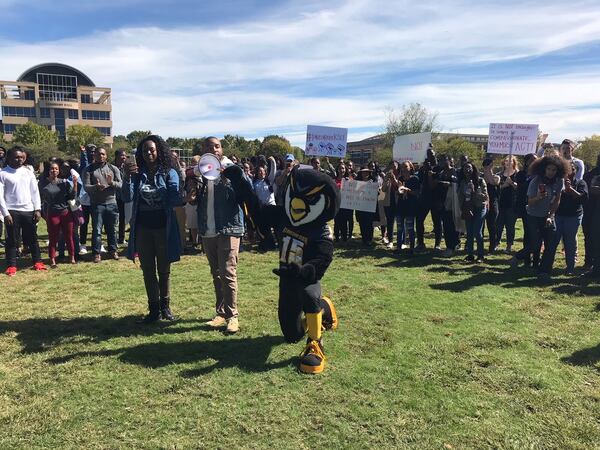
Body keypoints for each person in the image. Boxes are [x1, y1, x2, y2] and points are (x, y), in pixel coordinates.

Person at [123, 135, 182, 323]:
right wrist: (126, 177)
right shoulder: (136, 174)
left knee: (164, 270)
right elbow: (126, 197)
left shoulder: (168, 172)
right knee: (147, 270)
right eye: (145, 150)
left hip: (163, 227)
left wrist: (181, 190)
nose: (149, 153)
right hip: (143, 228)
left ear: (159, 151)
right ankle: (153, 310)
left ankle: (166, 307)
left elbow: (174, 197)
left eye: (152, 150)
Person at [198, 137, 250, 334]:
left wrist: (234, 174)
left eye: (217, 146)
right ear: (203, 151)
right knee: (216, 274)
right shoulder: (201, 172)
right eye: (209, 147)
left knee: (228, 272)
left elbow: (246, 191)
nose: (214, 149)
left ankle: (233, 316)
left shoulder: (232, 170)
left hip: (229, 228)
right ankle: (221, 313)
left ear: (222, 150)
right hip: (208, 229)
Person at [0, 145, 46, 275]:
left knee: (32, 238)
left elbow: (35, 192)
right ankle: (12, 265)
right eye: (16, 157)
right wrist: (5, 213)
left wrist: (37, 209)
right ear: (9, 158)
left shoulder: (28, 172)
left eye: (21, 157)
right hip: (12, 211)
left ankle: (37, 262)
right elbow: (0, 196)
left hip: (29, 210)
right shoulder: (3, 174)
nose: (19, 159)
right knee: (12, 240)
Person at [526, 154, 569, 281]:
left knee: (551, 244)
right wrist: (538, 197)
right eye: (549, 169)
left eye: (554, 170)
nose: (551, 172)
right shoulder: (535, 181)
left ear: (558, 171)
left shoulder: (559, 181)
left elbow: (557, 200)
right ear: (544, 169)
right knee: (536, 244)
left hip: (549, 216)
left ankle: (544, 270)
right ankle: (519, 256)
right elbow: (530, 203)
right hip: (533, 216)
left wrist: (551, 215)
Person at [83, 147, 123, 263]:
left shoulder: (113, 168)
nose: (101, 156)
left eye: (103, 154)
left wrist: (111, 183)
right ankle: (96, 253)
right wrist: (96, 187)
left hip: (112, 203)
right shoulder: (89, 170)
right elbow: (86, 187)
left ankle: (113, 250)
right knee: (97, 230)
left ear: (106, 156)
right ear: (94, 156)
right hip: (97, 205)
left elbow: (121, 185)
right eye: (98, 154)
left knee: (112, 229)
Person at [548, 163, 587, 275]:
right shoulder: (558, 182)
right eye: (567, 171)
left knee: (569, 243)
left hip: (573, 217)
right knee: (553, 241)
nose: (569, 173)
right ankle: (547, 266)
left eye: (572, 170)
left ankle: (570, 268)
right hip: (558, 215)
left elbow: (582, 198)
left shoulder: (580, 183)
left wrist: (570, 189)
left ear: (575, 172)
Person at [39, 161, 77, 267]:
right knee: (53, 237)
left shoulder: (64, 182)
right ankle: (52, 259)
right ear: (48, 170)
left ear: (59, 171)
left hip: (65, 212)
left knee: (68, 236)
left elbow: (72, 196)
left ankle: (72, 256)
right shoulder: (43, 183)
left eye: (56, 169)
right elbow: (40, 197)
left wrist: (74, 184)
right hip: (52, 213)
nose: (54, 170)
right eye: (52, 169)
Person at [458, 162, 488, 262]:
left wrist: (474, 191)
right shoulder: (462, 183)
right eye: (465, 168)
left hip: (479, 208)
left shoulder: (480, 181)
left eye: (469, 168)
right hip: (468, 209)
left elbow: (485, 196)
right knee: (469, 233)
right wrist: (462, 208)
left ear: (473, 169)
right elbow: (460, 197)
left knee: (477, 232)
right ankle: (470, 255)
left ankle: (480, 255)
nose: (467, 170)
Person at [511, 154, 538, 267]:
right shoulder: (521, 174)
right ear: (526, 162)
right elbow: (522, 189)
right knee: (528, 233)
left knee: (537, 235)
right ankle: (527, 259)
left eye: (536, 160)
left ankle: (536, 260)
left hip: (537, 206)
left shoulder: (540, 174)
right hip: (525, 207)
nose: (534, 162)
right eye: (532, 160)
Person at [416, 147, 442, 251]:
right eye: (427, 154)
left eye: (431, 154)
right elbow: (421, 182)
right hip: (425, 198)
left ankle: (437, 244)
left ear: (435, 155)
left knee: (437, 221)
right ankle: (421, 243)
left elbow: (435, 184)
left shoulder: (439, 168)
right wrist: (424, 170)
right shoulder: (424, 168)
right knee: (419, 220)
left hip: (436, 198)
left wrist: (430, 171)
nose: (430, 156)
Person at [395, 161, 420, 254]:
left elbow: (417, 193)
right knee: (399, 228)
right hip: (400, 206)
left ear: (410, 168)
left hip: (410, 206)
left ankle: (412, 248)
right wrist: (398, 191)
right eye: (402, 167)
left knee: (410, 228)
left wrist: (408, 190)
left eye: (406, 166)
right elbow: (397, 192)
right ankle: (398, 248)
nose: (404, 169)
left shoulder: (415, 179)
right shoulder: (400, 179)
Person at [496, 156, 518, 253]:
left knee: (510, 226)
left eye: (510, 161)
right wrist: (504, 185)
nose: (507, 162)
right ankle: (496, 242)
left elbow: (519, 188)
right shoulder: (499, 174)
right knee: (499, 225)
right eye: (506, 161)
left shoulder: (517, 174)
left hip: (512, 204)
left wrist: (512, 183)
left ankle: (509, 245)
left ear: (513, 162)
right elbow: (496, 188)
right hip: (500, 203)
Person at [583, 154, 600, 268]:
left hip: (594, 209)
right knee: (590, 236)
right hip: (591, 208)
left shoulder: (590, 174)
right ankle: (590, 262)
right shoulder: (590, 175)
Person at [481, 157, 500, 253]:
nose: (488, 167)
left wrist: (488, 170)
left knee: (491, 225)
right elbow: (484, 181)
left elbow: (492, 182)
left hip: (493, 203)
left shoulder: (496, 177)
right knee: (481, 226)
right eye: (486, 166)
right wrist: (486, 170)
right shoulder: (480, 177)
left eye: (490, 165)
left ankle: (493, 245)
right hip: (482, 203)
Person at [355, 167, 376, 246]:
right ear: (361, 173)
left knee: (369, 223)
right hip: (360, 206)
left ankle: (370, 239)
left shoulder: (373, 182)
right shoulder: (357, 182)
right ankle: (364, 239)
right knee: (362, 222)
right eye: (364, 172)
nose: (366, 174)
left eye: (367, 172)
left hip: (369, 206)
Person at [333, 162, 353, 242]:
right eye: (340, 168)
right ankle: (337, 237)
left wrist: (350, 182)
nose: (342, 170)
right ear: (337, 170)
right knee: (337, 222)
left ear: (346, 170)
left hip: (346, 205)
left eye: (343, 168)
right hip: (337, 205)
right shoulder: (334, 180)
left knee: (344, 222)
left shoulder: (349, 180)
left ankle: (344, 238)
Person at [381, 161, 399, 248]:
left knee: (400, 222)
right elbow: (383, 190)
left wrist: (394, 179)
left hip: (398, 202)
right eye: (391, 166)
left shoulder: (401, 175)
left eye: (394, 166)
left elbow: (399, 187)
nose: (393, 168)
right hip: (388, 201)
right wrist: (386, 180)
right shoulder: (386, 176)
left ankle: (402, 241)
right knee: (390, 221)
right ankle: (390, 240)